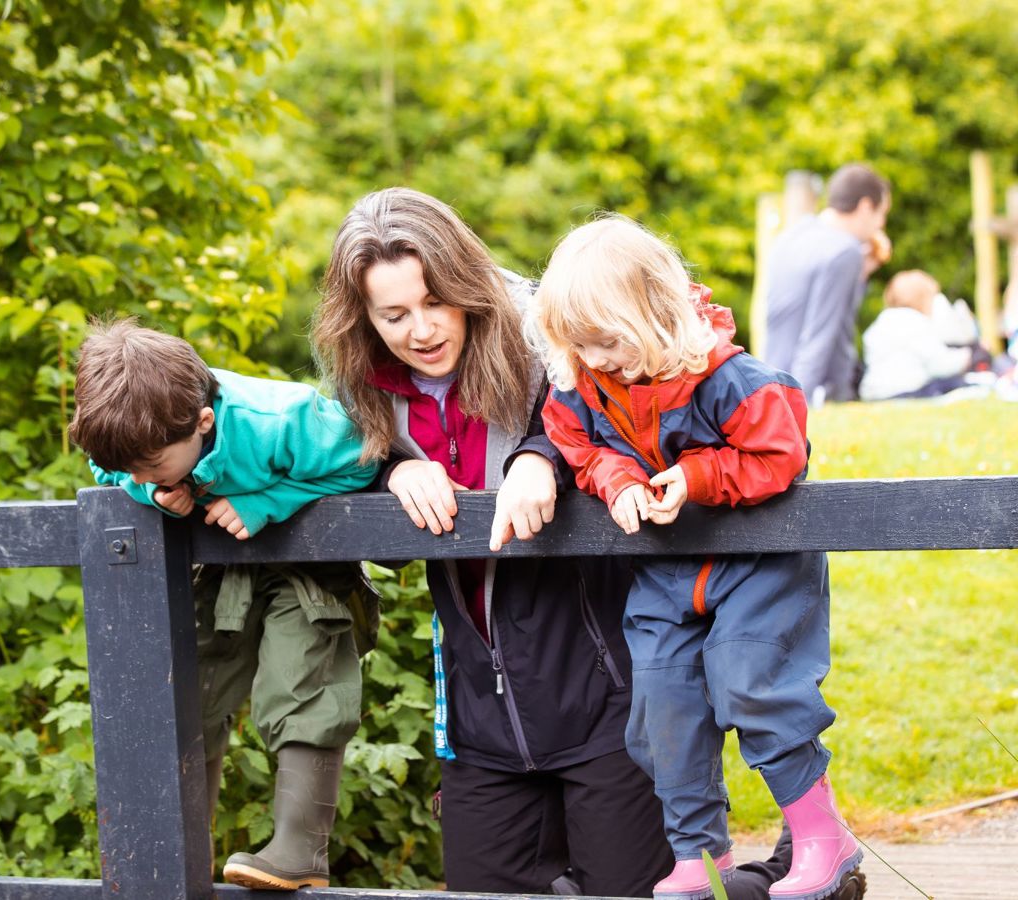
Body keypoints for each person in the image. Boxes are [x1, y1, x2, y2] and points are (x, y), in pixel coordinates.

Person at [312, 189, 861, 900]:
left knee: (656, 888)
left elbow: (605, 414)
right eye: (394, 316)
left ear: (466, 287)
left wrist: (539, 457)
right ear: (363, 320)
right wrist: (392, 467)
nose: (420, 329)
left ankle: (789, 869)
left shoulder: (546, 331)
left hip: (603, 680)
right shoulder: (364, 388)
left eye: (436, 302)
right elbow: (328, 469)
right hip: (483, 711)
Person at [534, 216, 862, 900]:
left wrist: (696, 478)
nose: (599, 360)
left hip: (755, 565)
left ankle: (823, 839)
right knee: (661, 707)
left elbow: (782, 454)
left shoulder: (731, 379)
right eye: (583, 346)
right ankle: (698, 858)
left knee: (754, 685)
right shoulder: (584, 386)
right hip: (666, 574)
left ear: (657, 311)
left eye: (611, 340)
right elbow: (575, 444)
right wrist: (617, 480)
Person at [68, 318, 379, 890]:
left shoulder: (282, 421)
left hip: (306, 570)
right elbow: (108, 468)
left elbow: (365, 461)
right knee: (190, 684)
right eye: (130, 466)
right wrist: (153, 490)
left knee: (299, 678)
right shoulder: (136, 437)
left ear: (203, 422)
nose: (135, 474)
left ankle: (298, 849)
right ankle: (183, 847)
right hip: (224, 569)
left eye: (151, 464)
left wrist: (267, 502)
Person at [764, 163, 891, 406]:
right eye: (881, 213)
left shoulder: (791, 236)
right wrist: (798, 405)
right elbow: (821, 335)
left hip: (773, 377)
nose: (881, 224)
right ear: (865, 207)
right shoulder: (845, 250)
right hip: (814, 392)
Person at [859, 270, 976, 400]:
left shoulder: (881, 322)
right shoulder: (916, 322)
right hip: (904, 390)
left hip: (873, 391)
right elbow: (939, 364)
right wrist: (967, 356)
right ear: (923, 299)